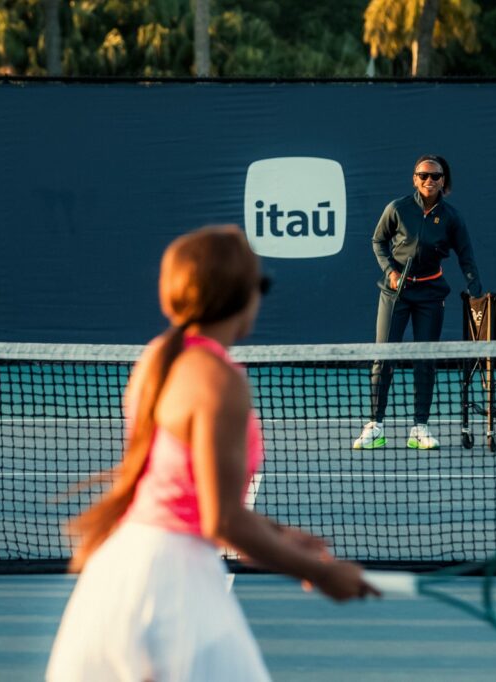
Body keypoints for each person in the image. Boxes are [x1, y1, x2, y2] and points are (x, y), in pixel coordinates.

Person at [48, 226, 375, 681]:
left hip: (114, 581)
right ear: (241, 296)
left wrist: (280, 533)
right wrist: (322, 575)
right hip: (172, 591)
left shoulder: (158, 357)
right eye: (260, 284)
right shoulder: (220, 379)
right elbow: (220, 521)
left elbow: (185, 495)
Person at [353, 155, 483, 451]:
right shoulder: (397, 208)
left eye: (435, 176)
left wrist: (476, 291)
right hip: (395, 293)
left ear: (443, 181)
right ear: (414, 178)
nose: (429, 181)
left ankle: (419, 428)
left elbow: (466, 256)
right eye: (423, 175)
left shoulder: (451, 217)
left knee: (425, 361)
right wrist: (391, 272)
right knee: (383, 358)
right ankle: (375, 425)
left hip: (430, 295)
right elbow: (378, 241)